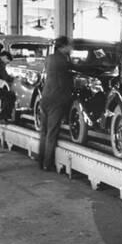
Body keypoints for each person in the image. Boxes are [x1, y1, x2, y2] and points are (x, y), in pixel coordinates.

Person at [38, 36, 74, 170]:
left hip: (45, 97)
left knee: (43, 132)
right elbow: (70, 76)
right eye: (70, 46)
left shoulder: (49, 58)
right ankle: (48, 164)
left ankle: (41, 162)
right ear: (63, 46)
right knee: (51, 134)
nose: (71, 48)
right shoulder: (64, 61)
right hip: (56, 100)